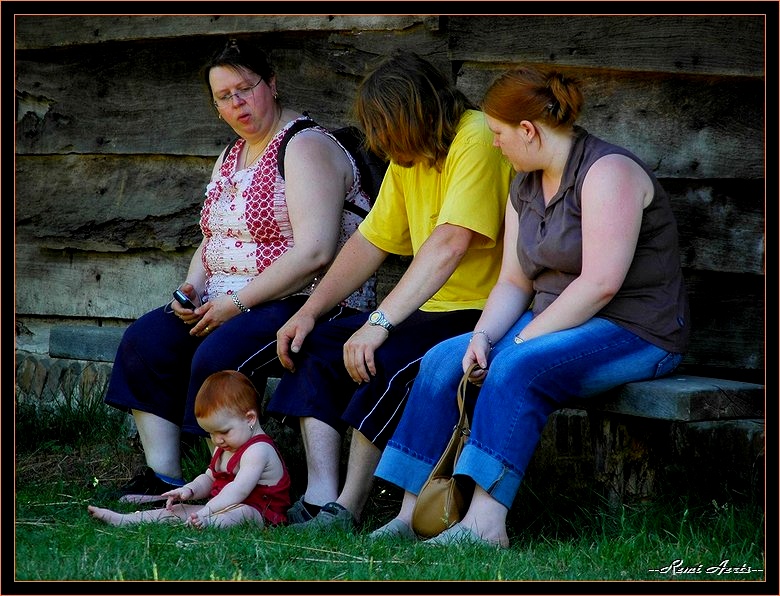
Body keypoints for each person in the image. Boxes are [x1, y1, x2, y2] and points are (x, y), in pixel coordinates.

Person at [369, 65, 691, 548]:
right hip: (554, 321)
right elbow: (514, 281)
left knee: (515, 368)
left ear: (527, 130)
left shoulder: (608, 173)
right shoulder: (525, 182)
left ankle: (485, 522)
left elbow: (600, 285)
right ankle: (412, 511)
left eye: (498, 133)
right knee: (441, 359)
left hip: (635, 330)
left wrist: (516, 343)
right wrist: (483, 337)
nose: (493, 143)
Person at [102, 38, 376, 501]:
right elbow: (213, 238)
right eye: (223, 97)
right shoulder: (232, 155)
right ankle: (166, 477)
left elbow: (315, 252)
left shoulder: (304, 146)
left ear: (271, 84)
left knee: (219, 353)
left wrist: (234, 304)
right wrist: (193, 285)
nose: (237, 104)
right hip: (231, 299)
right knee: (146, 340)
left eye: (245, 89)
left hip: (310, 301)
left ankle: (241, 477)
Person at [265, 51, 515, 530]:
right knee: (315, 345)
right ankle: (319, 498)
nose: (381, 144)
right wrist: (310, 312)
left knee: (384, 356)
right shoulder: (411, 155)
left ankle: (349, 507)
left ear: (417, 114)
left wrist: (379, 322)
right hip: (428, 307)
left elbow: (449, 243)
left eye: (386, 128)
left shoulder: (477, 136)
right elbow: (370, 241)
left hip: (479, 312)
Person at [88, 370, 291, 529]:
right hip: (220, 507)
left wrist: (208, 511)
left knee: (243, 513)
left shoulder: (258, 450)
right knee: (177, 509)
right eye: (210, 433)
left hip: (261, 513)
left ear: (250, 419)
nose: (216, 440)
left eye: (223, 431)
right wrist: (190, 490)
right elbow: (209, 478)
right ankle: (126, 520)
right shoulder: (226, 445)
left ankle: (209, 525)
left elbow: (238, 490)